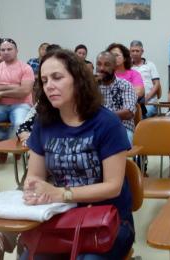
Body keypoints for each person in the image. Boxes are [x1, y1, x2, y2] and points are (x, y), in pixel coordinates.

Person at [20, 49, 134, 260]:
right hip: (60, 217)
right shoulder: (44, 123)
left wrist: (61, 193)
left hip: (107, 220)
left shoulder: (106, 123)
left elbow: (113, 186)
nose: (49, 86)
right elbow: (34, 175)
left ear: (78, 80)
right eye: (44, 81)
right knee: (30, 257)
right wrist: (33, 188)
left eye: (57, 77)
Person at [0, 38, 35, 163]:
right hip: (1, 106)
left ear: (17, 51)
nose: (6, 52)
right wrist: (13, 86)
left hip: (21, 104)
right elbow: (19, 89)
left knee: (19, 122)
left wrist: (1, 91)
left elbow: (24, 91)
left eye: (9, 49)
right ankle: (3, 145)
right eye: (3, 50)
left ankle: (10, 149)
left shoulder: (26, 68)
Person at [96, 51, 137, 145]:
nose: (101, 68)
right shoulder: (92, 86)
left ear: (114, 67)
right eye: (99, 64)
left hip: (122, 128)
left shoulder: (125, 85)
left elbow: (128, 113)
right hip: (96, 128)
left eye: (106, 65)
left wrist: (102, 118)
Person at [130, 40, 161, 118]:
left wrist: (146, 98)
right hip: (133, 103)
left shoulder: (150, 65)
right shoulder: (128, 67)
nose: (135, 53)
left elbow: (157, 84)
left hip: (149, 102)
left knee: (140, 116)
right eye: (132, 51)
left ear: (142, 51)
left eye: (137, 51)